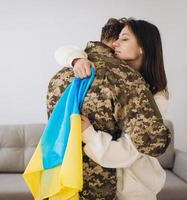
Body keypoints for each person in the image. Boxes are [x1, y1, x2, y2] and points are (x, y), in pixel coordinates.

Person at [47, 18, 171, 200]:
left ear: (142, 47)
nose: (115, 44)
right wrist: (77, 60)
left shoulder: (156, 95)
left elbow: (128, 152)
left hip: (134, 188)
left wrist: (88, 133)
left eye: (124, 39)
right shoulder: (111, 76)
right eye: (117, 38)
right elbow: (61, 51)